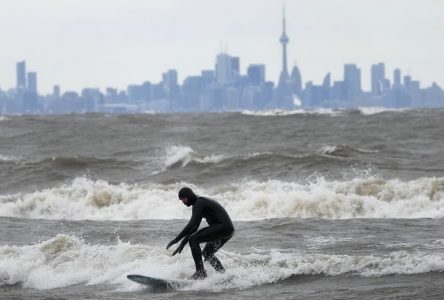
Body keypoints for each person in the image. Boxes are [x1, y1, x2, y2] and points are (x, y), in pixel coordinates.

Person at [166, 187, 235, 280]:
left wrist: (176, 239)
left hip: (222, 227)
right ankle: (224, 275)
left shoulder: (199, 203)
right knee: (207, 253)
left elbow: (191, 224)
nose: (183, 202)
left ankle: (200, 272)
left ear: (189, 196)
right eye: (181, 200)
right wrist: (183, 242)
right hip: (228, 230)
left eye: (184, 199)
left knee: (193, 239)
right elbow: (194, 227)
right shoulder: (199, 203)